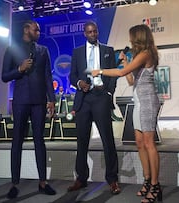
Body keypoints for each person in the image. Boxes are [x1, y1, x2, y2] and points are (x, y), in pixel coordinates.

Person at [91, 24, 162, 202]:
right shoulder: (139, 55)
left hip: (147, 102)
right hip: (138, 101)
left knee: (149, 143)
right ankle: (146, 181)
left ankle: (155, 185)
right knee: (139, 142)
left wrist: (100, 71)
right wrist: (124, 60)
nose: (129, 40)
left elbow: (122, 73)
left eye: (132, 37)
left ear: (138, 37)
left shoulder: (146, 54)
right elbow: (130, 80)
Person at [1, 19, 57, 199]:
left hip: (39, 101)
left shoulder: (43, 51)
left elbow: (48, 76)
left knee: (39, 140)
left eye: (39, 30)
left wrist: (52, 100)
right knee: (17, 141)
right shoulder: (12, 49)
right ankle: (14, 184)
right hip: (21, 101)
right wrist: (20, 68)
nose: (39, 32)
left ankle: (43, 182)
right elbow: (4, 76)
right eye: (36, 29)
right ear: (26, 29)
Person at [68, 21, 120, 195]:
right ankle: (81, 178)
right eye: (89, 32)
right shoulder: (77, 52)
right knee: (82, 141)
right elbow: (72, 76)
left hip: (101, 98)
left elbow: (114, 73)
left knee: (108, 140)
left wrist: (109, 93)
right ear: (84, 33)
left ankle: (112, 179)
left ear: (97, 32)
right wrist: (79, 82)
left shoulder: (108, 50)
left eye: (95, 31)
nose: (92, 34)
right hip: (83, 99)